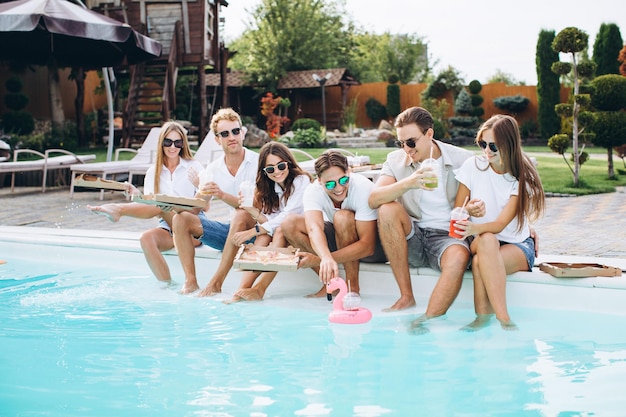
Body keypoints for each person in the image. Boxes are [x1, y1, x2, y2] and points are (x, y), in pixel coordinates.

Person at [368, 106, 484, 333]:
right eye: (400, 143)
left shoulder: (463, 159)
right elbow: (373, 199)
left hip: (448, 237)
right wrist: (409, 182)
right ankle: (406, 296)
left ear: (429, 134)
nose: (406, 149)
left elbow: (494, 193)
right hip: (414, 235)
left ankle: (427, 321)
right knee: (387, 209)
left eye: (411, 142)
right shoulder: (396, 160)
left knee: (459, 256)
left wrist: (525, 229)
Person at [453, 115, 545, 331]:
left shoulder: (521, 177)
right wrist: (467, 211)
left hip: (517, 245)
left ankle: (483, 320)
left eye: (493, 146)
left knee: (479, 261)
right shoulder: (472, 166)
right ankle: (504, 319)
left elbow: (501, 224)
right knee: (486, 241)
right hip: (482, 240)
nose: (487, 151)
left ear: (509, 145)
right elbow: (458, 210)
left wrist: (474, 228)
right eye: (482, 143)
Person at [87, 121, 204, 284]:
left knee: (160, 203)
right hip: (168, 227)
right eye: (168, 142)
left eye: (177, 142)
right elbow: (150, 208)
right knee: (146, 238)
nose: (173, 147)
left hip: (193, 227)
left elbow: (203, 202)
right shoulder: (153, 172)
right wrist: (138, 196)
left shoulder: (194, 166)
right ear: (161, 143)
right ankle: (168, 287)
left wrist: (200, 186)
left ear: (183, 144)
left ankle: (119, 209)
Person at [172, 108, 259, 295]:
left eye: (236, 131)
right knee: (180, 218)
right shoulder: (213, 169)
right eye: (225, 134)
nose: (232, 137)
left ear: (242, 133)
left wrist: (221, 194)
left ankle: (216, 283)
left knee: (241, 213)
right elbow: (199, 207)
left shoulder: (258, 162)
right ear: (217, 139)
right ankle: (190, 281)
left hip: (259, 233)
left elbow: (255, 208)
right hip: (231, 235)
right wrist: (176, 205)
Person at [281, 150, 386, 297]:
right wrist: (325, 257)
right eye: (329, 184)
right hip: (342, 240)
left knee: (342, 217)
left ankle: (352, 288)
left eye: (343, 180)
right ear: (319, 180)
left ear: (348, 172)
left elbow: (367, 246)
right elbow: (313, 228)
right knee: (289, 224)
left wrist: (321, 259)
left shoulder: (362, 188)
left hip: (375, 249)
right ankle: (331, 283)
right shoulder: (313, 190)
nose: (338, 188)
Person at [219, 141, 313, 303]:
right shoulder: (276, 188)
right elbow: (271, 222)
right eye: (270, 169)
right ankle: (242, 290)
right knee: (264, 236)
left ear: (288, 163)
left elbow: (286, 217)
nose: (277, 172)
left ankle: (259, 289)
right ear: (265, 172)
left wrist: (252, 231)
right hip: (290, 234)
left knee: (276, 230)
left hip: (314, 233)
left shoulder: (301, 180)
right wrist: (251, 210)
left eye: (281, 166)